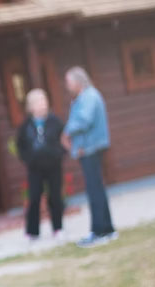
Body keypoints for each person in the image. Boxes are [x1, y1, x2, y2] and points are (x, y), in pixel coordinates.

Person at [62, 66, 117, 248]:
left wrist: (66, 132)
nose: (67, 86)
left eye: (68, 82)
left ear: (78, 81)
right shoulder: (85, 97)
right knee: (97, 189)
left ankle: (100, 231)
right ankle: (107, 230)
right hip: (88, 149)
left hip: (90, 149)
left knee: (94, 190)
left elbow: (83, 121)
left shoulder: (89, 97)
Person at [16, 88, 65, 240]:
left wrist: (58, 154)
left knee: (55, 196)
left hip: (53, 165)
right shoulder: (26, 126)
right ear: (31, 106)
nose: (42, 104)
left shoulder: (55, 122)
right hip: (35, 167)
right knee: (34, 197)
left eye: (44, 100)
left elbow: (64, 141)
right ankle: (32, 231)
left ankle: (58, 228)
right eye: (38, 102)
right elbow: (20, 146)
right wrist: (28, 159)